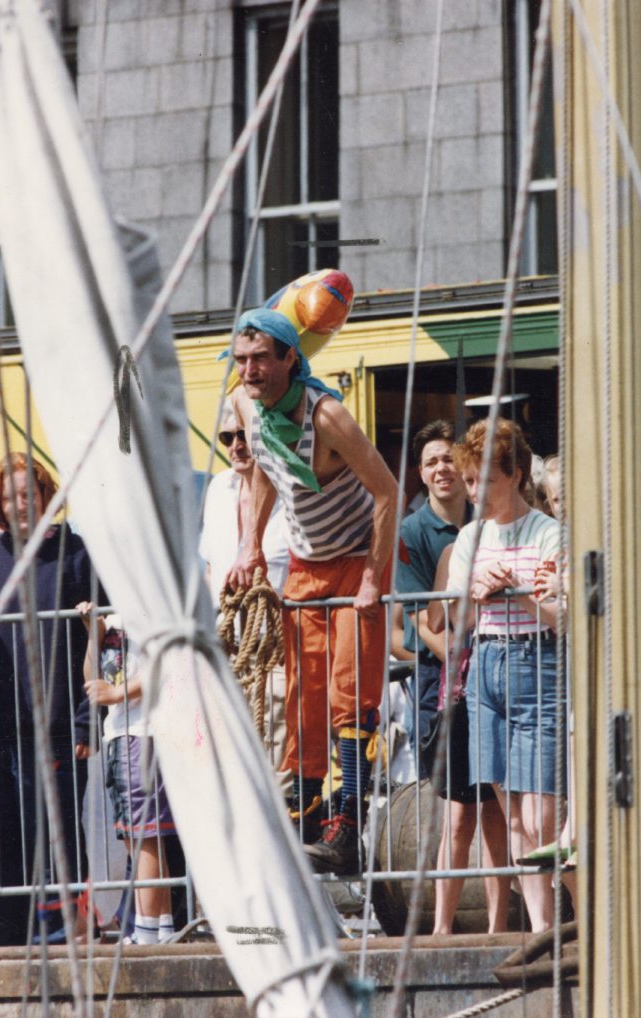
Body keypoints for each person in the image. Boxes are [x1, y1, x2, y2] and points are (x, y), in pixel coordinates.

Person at [226, 294, 398, 875]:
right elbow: (264, 476)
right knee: (303, 696)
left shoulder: (326, 415)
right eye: (241, 358)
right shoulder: (250, 411)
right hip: (306, 562)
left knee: (351, 693)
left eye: (259, 359)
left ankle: (347, 825)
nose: (248, 370)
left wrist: (374, 575)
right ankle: (302, 815)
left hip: (354, 560)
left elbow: (388, 490)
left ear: (289, 359)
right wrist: (250, 544)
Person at [0, 455, 96, 946]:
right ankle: (6, 933)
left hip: (53, 723)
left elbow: (103, 640)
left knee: (53, 833)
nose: (20, 505)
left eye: (29, 495)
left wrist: (87, 718)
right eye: (9, 497)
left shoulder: (75, 552)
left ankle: (62, 932)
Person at [440, 418, 563, 931]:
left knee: (541, 817)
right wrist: (471, 590)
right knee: (511, 815)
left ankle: (579, 915)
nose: (474, 492)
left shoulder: (549, 531)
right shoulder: (471, 535)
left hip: (536, 662)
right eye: (469, 482)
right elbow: (452, 618)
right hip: (486, 665)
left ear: (513, 476)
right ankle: (542, 926)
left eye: (484, 480)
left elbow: (563, 615)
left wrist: (522, 593)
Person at [394, 420, 507, 934]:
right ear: (420, 474)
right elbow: (420, 622)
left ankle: (503, 919)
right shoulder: (418, 537)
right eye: (431, 462)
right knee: (458, 812)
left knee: (500, 809)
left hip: (494, 681)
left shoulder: (496, 524)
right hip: (446, 687)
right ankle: (441, 926)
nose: (442, 470)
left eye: (449, 461)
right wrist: (467, 663)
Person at [198, 408, 290, 776]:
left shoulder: (288, 489)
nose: (236, 446)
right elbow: (210, 567)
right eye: (227, 438)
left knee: (275, 755)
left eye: (244, 436)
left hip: (277, 650)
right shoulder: (219, 488)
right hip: (228, 650)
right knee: (229, 760)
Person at [83, 610, 180, 945]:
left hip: (143, 731)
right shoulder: (114, 615)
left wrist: (118, 694)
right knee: (138, 836)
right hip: (122, 733)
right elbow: (92, 681)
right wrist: (94, 634)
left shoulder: (145, 604)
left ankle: (147, 932)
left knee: (143, 836)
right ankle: (162, 927)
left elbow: (167, 664)